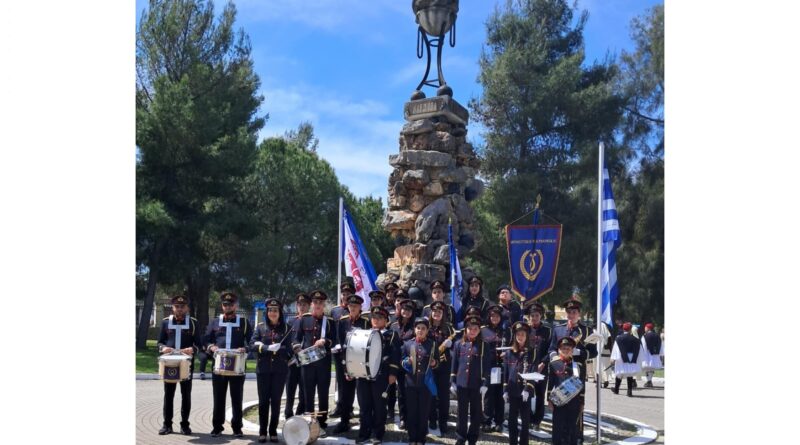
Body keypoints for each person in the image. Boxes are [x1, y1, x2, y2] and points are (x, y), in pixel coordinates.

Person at [204, 292, 253, 437]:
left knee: (237, 397)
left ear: (236, 306)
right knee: (218, 397)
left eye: (230, 304)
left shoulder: (243, 322)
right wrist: (211, 347)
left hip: (237, 366)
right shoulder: (214, 322)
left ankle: (237, 427)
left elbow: (251, 342)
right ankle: (217, 427)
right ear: (222, 306)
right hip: (219, 366)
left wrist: (245, 349)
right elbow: (206, 340)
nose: (227, 307)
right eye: (225, 304)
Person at [548, 298, 597, 442]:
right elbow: (551, 348)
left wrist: (580, 353)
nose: (571, 315)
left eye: (574, 312)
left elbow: (593, 352)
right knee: (559, 407)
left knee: (575, 409)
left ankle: (576, 438)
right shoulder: (558, 329)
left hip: (576, 371)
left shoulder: (586, 330)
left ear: (579, 313)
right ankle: (559, 439)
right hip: (560, 371)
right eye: (569, 312)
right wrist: (554, 358)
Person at [291, 289, 336, 434]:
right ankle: (309, 421)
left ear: (324, 305)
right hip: (308, 364)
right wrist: (297, 348)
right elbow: (296, 338)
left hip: (323, 363)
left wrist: (326, 341)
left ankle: (322, 422)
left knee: (323, 393)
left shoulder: (328, 322)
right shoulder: (304, 319)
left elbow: (335, 340)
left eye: (320, 302)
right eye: (315, 302)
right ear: (312, 304)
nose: (318, 304)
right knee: (308, 393)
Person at [355, 306, 400, 445]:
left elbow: (395, 355)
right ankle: (364, 432)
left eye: (380, 318)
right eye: (374, 318)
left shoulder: (391, 334)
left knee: (379, 406)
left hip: (381, 375)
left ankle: (378, 433)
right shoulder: (364, 333)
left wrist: (393, 373)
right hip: (363, 375)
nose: (376, 320)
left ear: (386, 321)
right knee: (364, 405)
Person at [157, 295, 200, 435]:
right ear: (173, 308)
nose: (180, 309)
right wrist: (163, 348)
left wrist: (192, 349)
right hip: (169, 363)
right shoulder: (165, 322)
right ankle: (167, 425)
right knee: (168, 395)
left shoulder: (193, 323)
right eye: (177, 306)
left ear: (187, 308)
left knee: (185, 395)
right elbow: (159, 342)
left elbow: (199, 344)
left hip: (186, 365)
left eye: (182, 306)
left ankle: (185, 425)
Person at [250, 298, 291, 443]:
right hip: (263, 370)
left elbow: (290, 349)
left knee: (276, 401)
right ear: (267, 312)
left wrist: (281, 349)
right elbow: (252, 345)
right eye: (270, 310)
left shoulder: (287, 329)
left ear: (280, 312)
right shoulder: (260, 328)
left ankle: (273, 430)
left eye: (275, 310)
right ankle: (262, 431)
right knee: (263, 401)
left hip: (280, 371)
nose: (272, 313)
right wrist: (266, 348)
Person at [451, 315, 493, 445]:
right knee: (462, 413)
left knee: (476, 413)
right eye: (470, 328)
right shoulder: (459, 344)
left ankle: (473, 437)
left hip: (476, 385)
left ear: (479, 330)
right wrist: (452, 381)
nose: (472, 331)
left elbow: (487, 366)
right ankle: (460, 437)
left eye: (475, 328)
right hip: (462, 384)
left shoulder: (484, 345)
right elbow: (454, 364)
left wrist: (485, 383)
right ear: (465, 329)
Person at [332, 294, 371, 433]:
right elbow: (340, 343)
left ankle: (365, 421)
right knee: (345, 394)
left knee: (362, 395)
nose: (352, 308)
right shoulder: (342, 322)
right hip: (347, 362)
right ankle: (344, 421)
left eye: (355, 306)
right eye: (350, 306)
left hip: (361, 363)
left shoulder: (366, 322)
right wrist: (345, 367)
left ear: (360, 307)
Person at [402, 317, 439, 445]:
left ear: (427, 330)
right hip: (411, 384)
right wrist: (407, 362)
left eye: (423, 328)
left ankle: (421, 438)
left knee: (423, 413)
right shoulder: (407, 344)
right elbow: (402, 362)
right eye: (418, 328)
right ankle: (412, 438)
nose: (420, 330)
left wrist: (434, 363)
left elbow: (437, 362)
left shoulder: (432, 344)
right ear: (414, 329)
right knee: (412, 412)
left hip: (425, 384)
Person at [503, 322, 536, 445]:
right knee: (512, 420)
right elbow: (506, 374)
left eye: (523, 334)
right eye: (518, 334)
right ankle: (512, 442)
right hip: (513, 390)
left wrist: (528, 388)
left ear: (527, 336)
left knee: (525, 421)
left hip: (525, 392)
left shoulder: (532, 352)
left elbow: (534, 371)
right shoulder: (509, 353)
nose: (520, 337)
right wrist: (505, 390)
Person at [548, 336, 584, 445]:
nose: (565, 351)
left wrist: (582, 401)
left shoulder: (578, 366)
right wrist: (549, 400)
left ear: (572, 351)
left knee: (572, 427)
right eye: (563, 349)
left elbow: (582, 385)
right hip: (558, 401)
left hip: (574, 401)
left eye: (568, 349)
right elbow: (550, 383)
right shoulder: (554, 364)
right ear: (559, 350)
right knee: (558, 427)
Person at [426, 301, 455, 435]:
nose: (437, 314)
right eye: (434, 312)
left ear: (443, 314)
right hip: (430, 365)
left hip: (444, 366)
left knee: (444, 396)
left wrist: (451, 344)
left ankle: (443, 421)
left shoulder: (449, 328)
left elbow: (456, 346)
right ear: (431, 313)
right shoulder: (427, 327)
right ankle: (432, 419)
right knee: (431, 394)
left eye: (439, 312)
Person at [481, 304, 510, 432]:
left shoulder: (506, 331)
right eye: (492, 315)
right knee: (489, 394)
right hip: (489, 366)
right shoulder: (483, 330)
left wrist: (507, 353)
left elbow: (513, 347)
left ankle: (499, 421)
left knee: (500, 394)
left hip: (503, 366)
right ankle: (487, 421)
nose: (495, 318)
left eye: (497, 316)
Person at [389, 298, 416, 429]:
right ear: (400, 310)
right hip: (395, 363)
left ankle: (411, 416)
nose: (406, 312)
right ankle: (403, 418)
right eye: (404, 309)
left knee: (408, 391)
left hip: (410, 364)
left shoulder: (415, 327)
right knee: (400, 392)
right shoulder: (393, 326)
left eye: (409, 310)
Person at [526, 301, 551, 431]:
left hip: (542, 367)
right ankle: (528, 417)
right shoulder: (525, 329)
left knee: (540, 394)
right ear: (528, 317)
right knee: (528, 392)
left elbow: (551, 349)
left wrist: (544, 362)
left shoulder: (547, 331)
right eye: (532, 316)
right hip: (528, 367)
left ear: (541, 316)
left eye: (536, 315)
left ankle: (537, 420)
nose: (534, 318)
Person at [330, 281, 353, 419]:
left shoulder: (354, 309)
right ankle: (340, 406)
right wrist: (333, 345)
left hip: (351, 352)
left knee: (349, 381)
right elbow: (332, 331)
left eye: (348, 294)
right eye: (343, 294)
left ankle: (348, 408)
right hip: (338, 352)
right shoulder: (335, 310)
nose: (345, 296)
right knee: (339, 380)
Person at [285, 292, 310, 420]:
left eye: (304, 304)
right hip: (292, 361)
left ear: (309, 306)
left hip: (305, 360)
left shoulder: (311, 321)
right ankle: (288, 413)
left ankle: (300, 414)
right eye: (299, 304)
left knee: (303, 390)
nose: (301, 307)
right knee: (290, 389)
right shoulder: (290, 321)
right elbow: (286, 339)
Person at [611, 322, 645, 397]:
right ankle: (629, 391)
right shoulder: (636, 339)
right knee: (629, 374)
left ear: (623, 329)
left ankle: (616, 389)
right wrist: (640, 359)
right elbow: (640, 350)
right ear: (630, 329)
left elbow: (616, 349)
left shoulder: (618, 338)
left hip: (621, 358)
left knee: (619, 374)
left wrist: (613, 358)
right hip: (632, 358)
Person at [640, 323, 664, 387]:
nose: (644, 329)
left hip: (647, 354)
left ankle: (649, 381)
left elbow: (643, 346)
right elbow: (661, 345)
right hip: (655, 354)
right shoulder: (657, 335)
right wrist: (660, 354)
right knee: (651, 368)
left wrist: (642, 354)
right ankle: (649, 381)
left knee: (648, 368)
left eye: (645, 327)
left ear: (648, 328)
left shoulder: (644, 336)